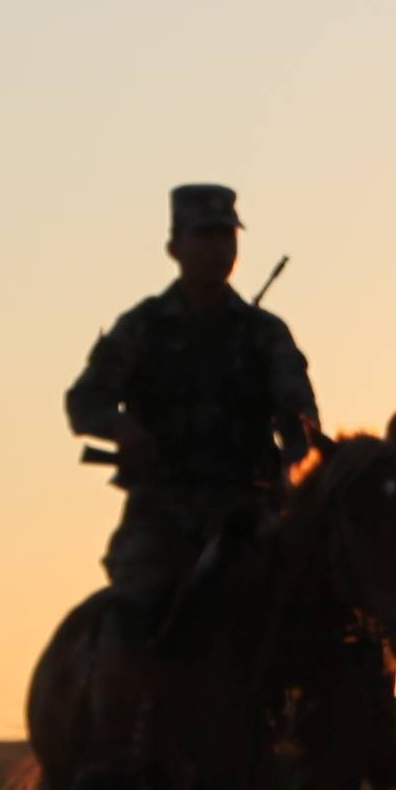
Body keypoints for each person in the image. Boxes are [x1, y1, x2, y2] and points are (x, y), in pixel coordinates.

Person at [64, 181, 320, 642]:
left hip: (250, 513)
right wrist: (122, 427)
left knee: (311, 616)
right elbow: (84, 401)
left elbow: (301, 420)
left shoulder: (264, 334)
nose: (218, 247)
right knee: (136, 612)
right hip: (162, 513)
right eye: (205, 236)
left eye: (227, 236)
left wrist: (292, 467)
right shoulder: (143, 328)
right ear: (174, 248)